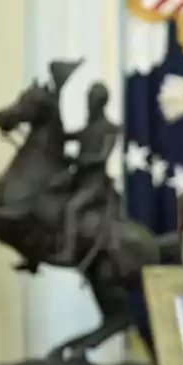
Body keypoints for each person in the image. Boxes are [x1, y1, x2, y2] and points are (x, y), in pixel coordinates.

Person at [53, 83, 120, 268]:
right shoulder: (87, 128)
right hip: (78, 178)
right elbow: (64, 136)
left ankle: (68, 251)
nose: (88, 104)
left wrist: (79, 160)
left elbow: (102, 157)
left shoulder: (111, 128)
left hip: (94, 184)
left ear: (99, 103)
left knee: (71, 208)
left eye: (91, 100)